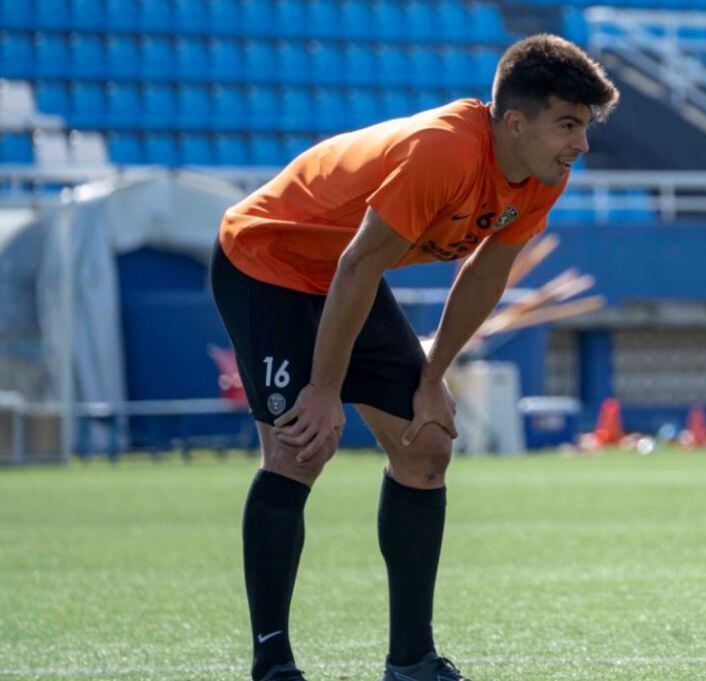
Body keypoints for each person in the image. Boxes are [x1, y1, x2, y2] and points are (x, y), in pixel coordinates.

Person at [209, 34, 619, 681]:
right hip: (268, 260)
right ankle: (273, 663)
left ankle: (410, 661)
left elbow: (487, 274)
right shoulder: (445, 151)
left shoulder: (545, 174)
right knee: (299, 447)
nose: (581, 144)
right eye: (569, 124)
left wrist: (433, 379)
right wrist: (324, 387)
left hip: (347, 274)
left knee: (426, 443)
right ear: (516, 122)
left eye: (586, 126)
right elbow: (358, 264)